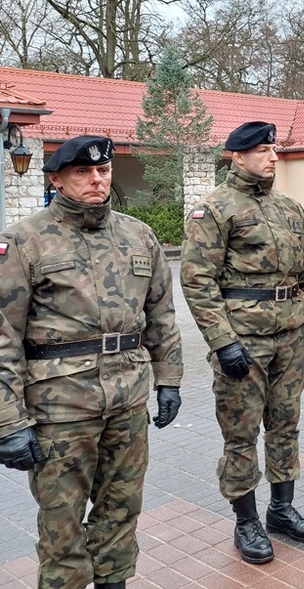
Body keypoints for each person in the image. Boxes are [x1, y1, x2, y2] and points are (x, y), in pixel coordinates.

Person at [0, 135, 183, 589]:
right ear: (57, 178)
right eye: (83, 172)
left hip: (128, 401)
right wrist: (9, 421)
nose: (96, 179)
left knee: (121, 513)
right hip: (60, 410)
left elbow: (161, 312)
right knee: (61, 529)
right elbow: (3, 336)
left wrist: (170, 379)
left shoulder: (138, 234)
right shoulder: (23, 241)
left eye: (102, 171)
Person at [181, 121, 304, 564]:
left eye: (275, 150)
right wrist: (222, 341)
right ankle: (246, 520)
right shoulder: (214, 209)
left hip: (288, 337)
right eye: (263, 150)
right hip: (243, 341)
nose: (272, 157)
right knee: (241, 433)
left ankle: (281, 509)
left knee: (285, 424)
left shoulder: (289, 207)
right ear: (237, 156)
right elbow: (197, 281)